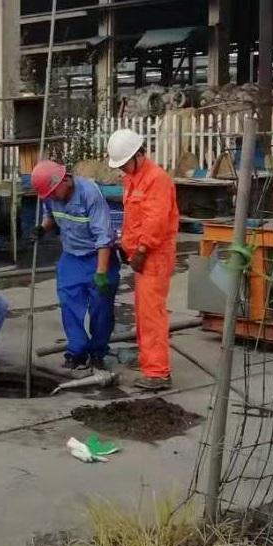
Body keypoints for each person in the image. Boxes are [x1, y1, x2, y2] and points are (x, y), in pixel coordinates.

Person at [106, 128, 180, 391]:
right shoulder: (132, 178)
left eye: (125, 163)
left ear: (138, 155)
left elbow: (156, 221)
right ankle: (150, 361)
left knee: (151, 315)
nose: (123, 169)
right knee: (142, 313)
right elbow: (134, 218)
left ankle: (158, 372)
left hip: (153, 256)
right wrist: (126, 244)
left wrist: (140, 251)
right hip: (142, 255)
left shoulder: (156, 179)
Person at [30, 159, 120, 371]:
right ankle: (77, 352)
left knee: (101, 308)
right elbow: (50, 217)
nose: (51, 197)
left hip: (98, 256)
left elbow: (104, 237)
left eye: (53, 192)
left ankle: (98, 352)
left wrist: (101, 273)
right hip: (71, 257)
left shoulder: (90, 194)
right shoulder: (51, 195)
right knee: (69, 306)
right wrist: (42, 229)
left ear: (65, 181)